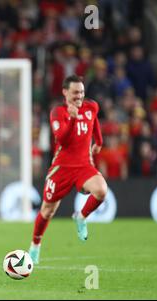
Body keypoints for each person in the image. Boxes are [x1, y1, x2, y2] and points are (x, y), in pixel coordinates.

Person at [29, 75, 108, 264]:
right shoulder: (57, 112)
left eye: (81, 92)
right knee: (47, 211)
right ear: (65, 92)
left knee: (101, 191)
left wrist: (99, 141)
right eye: (75, 92)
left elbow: (94, 120)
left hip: (83, 166)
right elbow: (62, 139)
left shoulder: (91, 106)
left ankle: (81, 217)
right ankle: (35, 245)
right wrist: (72, 119)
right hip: (61, 168)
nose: (79, 96)